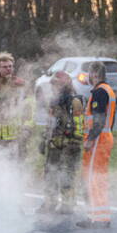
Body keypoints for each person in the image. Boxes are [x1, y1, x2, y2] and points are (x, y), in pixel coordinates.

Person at [78, 61, 117, 228]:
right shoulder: (107, 90)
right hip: (103, 139)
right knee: (97, 178)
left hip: (98, 141)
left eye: (89, 73)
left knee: (94, 178)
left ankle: (98, 218)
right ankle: (98, 216)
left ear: (94, 74)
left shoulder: (100, 92)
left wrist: (90, 139)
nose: (87, 77)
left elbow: (99, 119)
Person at [39, 71, 84, 214]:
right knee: (50, 174)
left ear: (64, 85)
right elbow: (50, 122)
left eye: (56, 84)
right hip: (54, 145)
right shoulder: (54, 101)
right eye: (53, 84)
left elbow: (79, 125)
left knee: (67, 175)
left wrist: (75, 144)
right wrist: (44, 139)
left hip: (69, 145)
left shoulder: (74, 101)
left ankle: (67, 205)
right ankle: (49, 203)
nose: (53, 87)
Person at [0, 51, 34, 155]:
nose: (8, 69)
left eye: (10, 66)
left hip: (15, 136)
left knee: (16, 167)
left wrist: (27, 129)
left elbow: (30, 109)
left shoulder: (22, 85)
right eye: (5, 67)